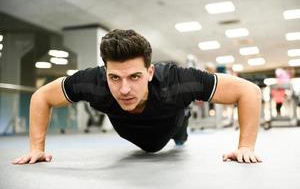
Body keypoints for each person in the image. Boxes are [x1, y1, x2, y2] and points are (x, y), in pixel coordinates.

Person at [12, 29, 262, 165]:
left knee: (180, 135)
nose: (124, 90)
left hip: (171, 124)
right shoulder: (92, 81)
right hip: (128, 130)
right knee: (147, 144)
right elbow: (42, 96)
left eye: (134, 77)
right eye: (114, 78)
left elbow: (248, 91)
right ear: (105, 72)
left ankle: (181, 133)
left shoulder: (178, 80)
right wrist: (37, 149)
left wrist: (245, 147)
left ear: (150, 71)